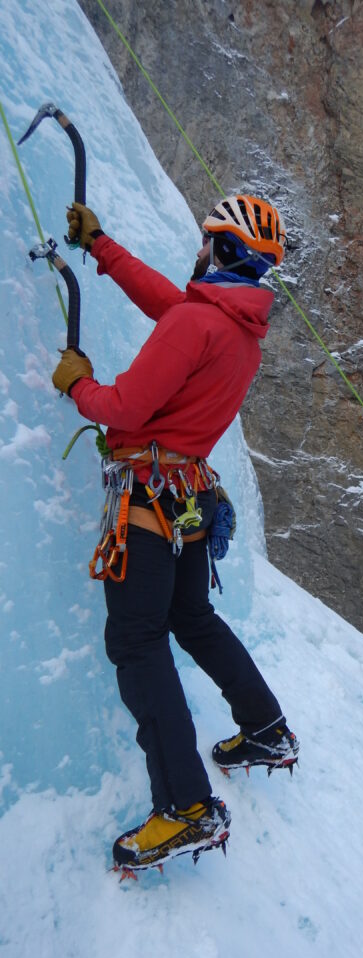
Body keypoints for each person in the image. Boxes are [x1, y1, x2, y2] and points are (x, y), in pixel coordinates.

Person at [51, 195, 299, 873]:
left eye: (206, 241)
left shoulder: (198, 325)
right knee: (191, 617)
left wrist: (80, 387)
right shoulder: (239, 331)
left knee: (136, 639)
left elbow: (127, 405)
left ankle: (186, 805)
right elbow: (170, 301)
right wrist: (103, 250)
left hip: (148, 498)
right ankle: (266, 727)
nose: (198, 250)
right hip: (188, 499)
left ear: (222, 250)